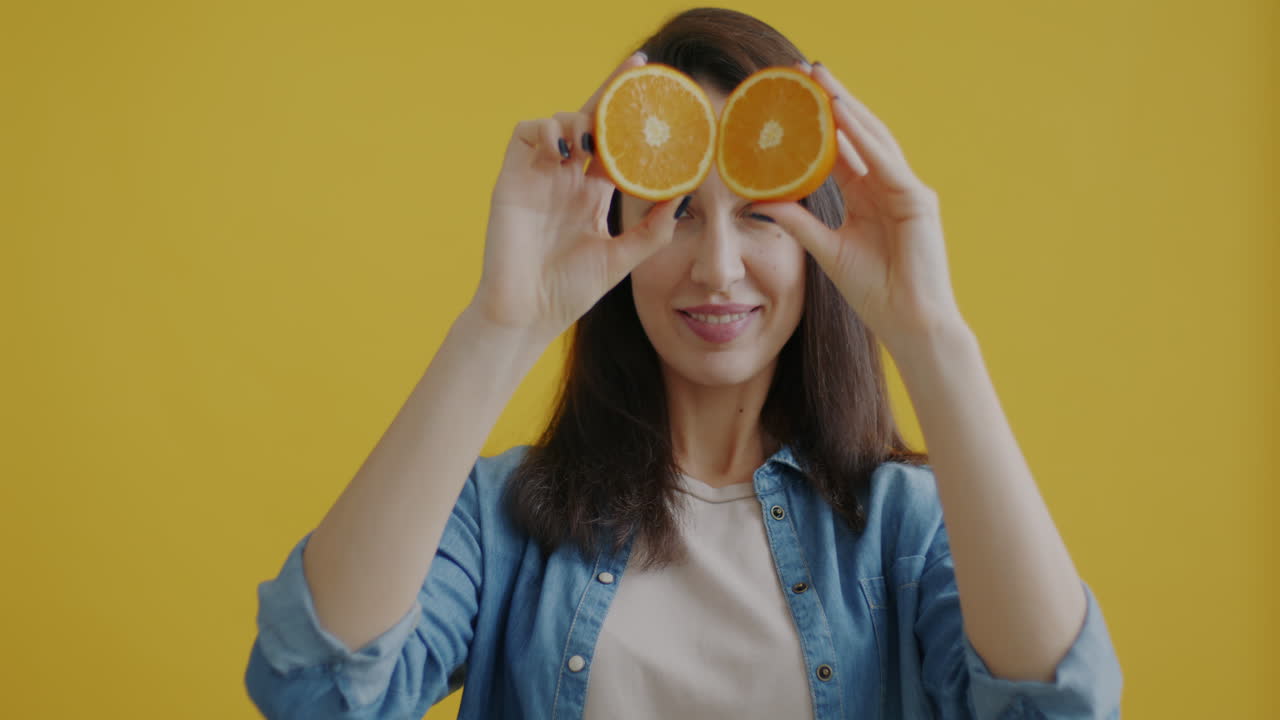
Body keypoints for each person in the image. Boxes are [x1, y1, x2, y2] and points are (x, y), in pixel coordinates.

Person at [243, 8, 1122, 719]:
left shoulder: (906, 532)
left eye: (762, 215)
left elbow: (1065, 709)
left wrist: (933, 337)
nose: (718, 268)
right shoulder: (503, 522)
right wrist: (500, 324)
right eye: (678, 212)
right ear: (620, 226)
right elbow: (313, 686)